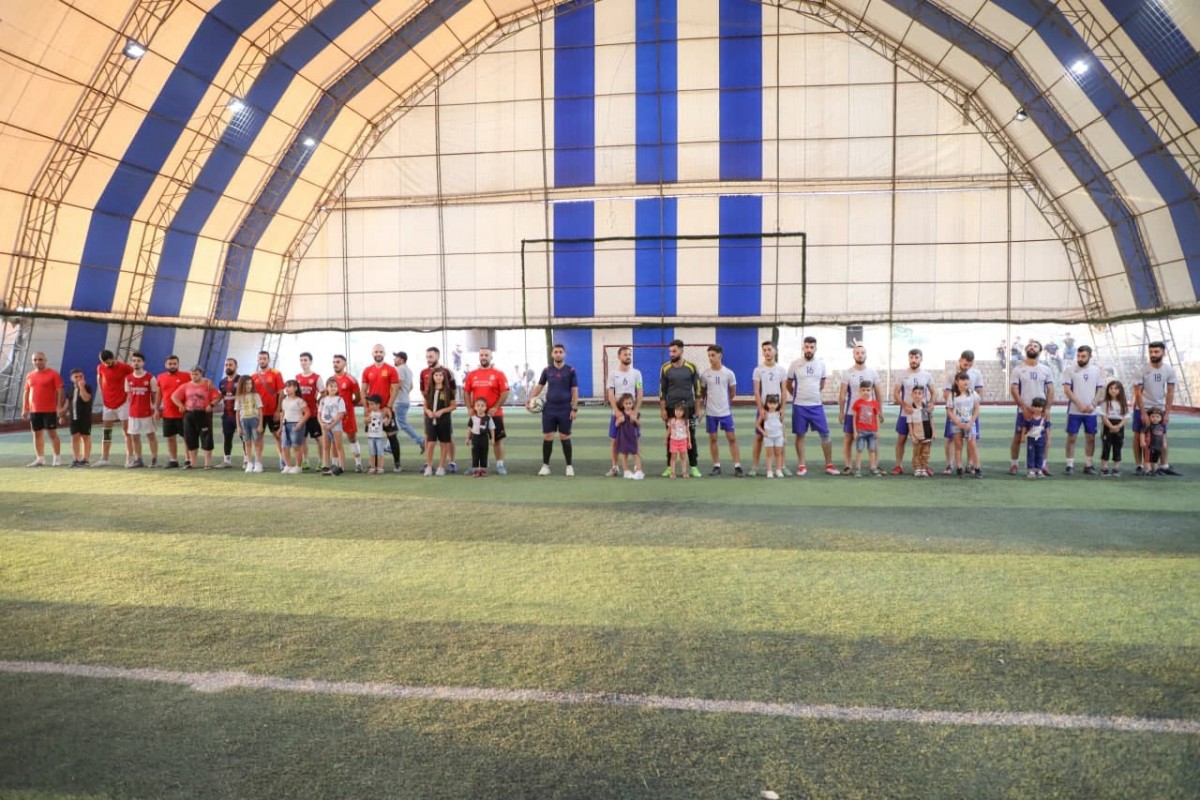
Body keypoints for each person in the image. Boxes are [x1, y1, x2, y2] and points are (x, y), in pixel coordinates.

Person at [787, 336, 837, 477]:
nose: (809, 349)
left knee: (825, 434)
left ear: (815, 348)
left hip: (816, 405)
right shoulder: (795, 364)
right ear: (803, 348)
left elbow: (821, 384)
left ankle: (829, 465)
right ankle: (801, 466)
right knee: (800, 435)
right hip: (799, 406)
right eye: (807, 347)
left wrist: (812, 395)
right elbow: (788, 385)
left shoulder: (821, 364)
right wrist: (799, 396)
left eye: (811, 347)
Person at [527, 343, 579, 476]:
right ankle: (545, 466)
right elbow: (539, 387)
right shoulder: (547, 370)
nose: (558, 354)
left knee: (564, 436)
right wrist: (530, 399)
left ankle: (569, 466)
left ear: (564, 354)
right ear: (552, 354)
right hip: (549, 408)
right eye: (555, 352)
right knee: (548, 436)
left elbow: (574, 390)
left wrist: (574, 408)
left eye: (560, 352)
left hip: (565, 408)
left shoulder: (570, 370)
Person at [1132, 341, 1180, 476]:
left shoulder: (1169, 370)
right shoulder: (1141, 370)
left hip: (1159, 408)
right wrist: (1143, 413)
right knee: (1138, 435)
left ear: (1163, 353)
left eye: (1156, 351)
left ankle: (1163, 465)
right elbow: (1137, 393)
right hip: (1142, 407)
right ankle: (1139, 465)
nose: (1153, 354)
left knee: (1161, 435)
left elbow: (1170, 392)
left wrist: (1167, 413)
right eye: (1151, 352)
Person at [1009, 340, 1054, 475]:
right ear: (1025, 350)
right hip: (1024, 410)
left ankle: (1043, 465)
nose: (1032, 347)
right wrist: (1023, 408)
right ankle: (1014, 464)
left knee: (1043, 438)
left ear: (1040, 351)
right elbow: (1014, 390)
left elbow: (1050, 390)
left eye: (1035, 346)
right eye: (1029, 346)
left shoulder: (1046, 369)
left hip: (1041, 411)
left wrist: (1047, 408)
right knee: (1018, 437)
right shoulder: (1018, 369)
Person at [463, 346, 511, 475]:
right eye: (481, 355)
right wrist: (469, 408)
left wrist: (495, 407)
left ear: (491, 357)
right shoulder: (472, 374)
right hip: (477, 415)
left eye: (486, 355)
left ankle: (500, 465)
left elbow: (505, 392)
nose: (483, 357)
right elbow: (466, 392)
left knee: (497, 440)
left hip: (495, 414)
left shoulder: (499, 374)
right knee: (477, 441)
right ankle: (476, 466)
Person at [699, 344, 743, 476]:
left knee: (732, 438)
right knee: (713, 438)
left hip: (725, 412)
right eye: (709, 355)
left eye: (713, 355)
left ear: (720, 356)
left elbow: (732, 392)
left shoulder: (729, 373)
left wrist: (724, 403)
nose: (710, 358)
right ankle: (716, 465)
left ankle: (737, 466)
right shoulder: (705, 374)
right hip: (711, 413)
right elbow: (703, 393)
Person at [1062, 344, 1104, 475]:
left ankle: (1088, 464)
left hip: (1091, 411)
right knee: (1072, 437)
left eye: (1083, 356)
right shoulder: (1070, 370)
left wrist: (1093, 404)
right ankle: (1069, 465)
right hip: (1074, 411)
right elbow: (1067, 390)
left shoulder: (1096, 371)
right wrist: (1079, 404)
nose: (1080, 358)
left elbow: (1100, 389)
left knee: (1091, 437)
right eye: (1078, 356)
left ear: (1090, 356)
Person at [839, 344, 881, 474]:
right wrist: (841, 412)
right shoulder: (847, 373)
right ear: (853, 355)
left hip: (869, 413)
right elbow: (842, 394)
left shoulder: (872, 373)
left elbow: (878, 393)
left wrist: (880, 411)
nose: (860, 355)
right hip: (852, 412)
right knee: (849, 437)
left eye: (862, 353)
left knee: (873, 438)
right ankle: (848, 465)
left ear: (866, 355)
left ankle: (874, 465)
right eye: (857, 353)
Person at [891, 348, 935, 475]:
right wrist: (904, 405)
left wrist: (931, 403)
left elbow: (934, 392)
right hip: (907, 412)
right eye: (911, 357)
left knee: (925, 440)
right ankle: (898, 465)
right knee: (901, 439)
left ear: (921, 359)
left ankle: (924, 466)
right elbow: (896, 393)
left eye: (916, 357)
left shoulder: (927, 375)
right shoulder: (902, 374)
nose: (913, 360)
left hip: (923, 413)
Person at [941, 351, 983, 475]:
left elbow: (980, 391)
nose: (967, 367)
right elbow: (946, 393)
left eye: (970, 365)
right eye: (965, 364)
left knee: (971, 440)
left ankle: (969, 465)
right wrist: (954, 407)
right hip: (955, 413)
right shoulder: (951, 374)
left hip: (970, 413)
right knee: (951, 438)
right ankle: (950, 464)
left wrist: (972, 407)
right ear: (960, 360)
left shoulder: (976, 373)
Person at [751, 341, 789, 476]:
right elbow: (756, 391)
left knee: (780, 436)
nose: (767, 352)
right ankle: (754, 467)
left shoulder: (781, 370)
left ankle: (782, 466)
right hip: (764, 409)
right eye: (764, 350)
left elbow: (784, 390)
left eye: (769, 349)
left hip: (777, 409)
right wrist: (761, 408)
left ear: (775, 351)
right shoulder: (758, 370)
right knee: (758, 437)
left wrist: (782, 408)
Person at [171, 366, 221, 470]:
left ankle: (207, 463)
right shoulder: (185, 386)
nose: (194, 376)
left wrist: (211, 405)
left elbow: (218, 396)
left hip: (203, 414)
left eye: (196, 374)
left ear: (201, 374)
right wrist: (180, 405)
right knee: (190, 438)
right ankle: (193, 463)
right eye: (192, 374)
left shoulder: (207, 385)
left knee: (206, 438)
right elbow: (174, 396)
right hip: (189, 414)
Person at [362, 344, 401, 473]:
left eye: (380, 351)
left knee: (391, 436)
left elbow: (395, 389)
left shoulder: (391, 369)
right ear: (372, 353)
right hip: (372, 411)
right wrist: (366, 407)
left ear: (384, 353)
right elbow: (363, 390)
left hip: (387, 409)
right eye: (376, 352)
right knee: (372, 438)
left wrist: (388, 406)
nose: (378, 354)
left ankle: (397, 464)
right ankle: (374, 466)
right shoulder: (367, 370)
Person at [605, 346, 644, 477]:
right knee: (615, 440)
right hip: (617, 413)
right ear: (619, 356)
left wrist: (635, 411)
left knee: (635, 439)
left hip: (631, 412)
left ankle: (637, 467)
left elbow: (640, 393)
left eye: (629, 354)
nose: (628, 356)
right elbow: (610, 394)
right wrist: (616, 411)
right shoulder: (613, 374)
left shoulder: (637, 373)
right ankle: (615, 467)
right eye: (625, 354)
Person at [22, 351, 64, 467]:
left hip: (49, 410)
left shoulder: (53, 374)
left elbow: (60, 391)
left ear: (45, 360)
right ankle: (40, 458)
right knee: (36, 434)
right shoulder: (30, 375)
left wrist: (59, 406)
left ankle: (57, 458)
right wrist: (25, 408)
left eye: (40, 359)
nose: (37, 362)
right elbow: (26, 392)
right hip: (34, 410)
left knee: (52, 434)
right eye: (35, 360)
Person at [420, 347, 458, 473]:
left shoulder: (447, 371)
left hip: (444, 412)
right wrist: (428, 409)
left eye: (431, 357)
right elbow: (423, 391)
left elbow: (453, 390)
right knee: (429, 438)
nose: (428, 359)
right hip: (430, 411)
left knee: (447, 437)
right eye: (427, 357)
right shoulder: (423, 372)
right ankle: (428, 464)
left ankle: (451, 462)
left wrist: (444, 406)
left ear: (437, 356)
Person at [95, 349, 133, 467]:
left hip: (123, 403)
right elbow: (99, 379)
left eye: (108, 362)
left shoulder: (125, 367)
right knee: (107, 431)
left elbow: (134, 378)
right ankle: (104, 458)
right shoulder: (101, 367)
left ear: (113, 358)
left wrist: (129, 394)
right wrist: (103, 394)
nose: (106, 364)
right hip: (108, 403)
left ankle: (130, 458)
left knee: (127, 432)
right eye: (104, 362)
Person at [124, 351, 158, 468]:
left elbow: (154, 395)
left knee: (151, 435)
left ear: (143, 363)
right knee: (134, 436)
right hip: (133, 413)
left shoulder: (150, 378)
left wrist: (155, 409)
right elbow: (129, 395)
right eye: (134, 361)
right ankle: (138, 459)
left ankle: (154, 459)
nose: (136, 363)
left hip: (147, 413)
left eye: (138, 361)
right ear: (131, 363)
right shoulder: (128, 378)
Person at [331, 354, 363, 473]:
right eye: (334, 362)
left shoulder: (351, 379)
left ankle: (358, 463)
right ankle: (335, 464)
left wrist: (349, 406)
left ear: (344, 364)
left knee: (352, 438)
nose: (335, 364)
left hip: (348, 414)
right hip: (334, 416)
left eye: (338, 362)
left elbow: (358, 396)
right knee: (334, 440)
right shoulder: (331, 380)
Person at [156, 354, 190, 469]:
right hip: (168, 413)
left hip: (183, 413)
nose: (172, 366)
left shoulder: (187, 376)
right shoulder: (160, 377)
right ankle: (173, 460)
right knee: (170, 437)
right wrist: (156, 409)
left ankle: (188, 459)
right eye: (170, 364)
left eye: (174, 363)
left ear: (178, 364)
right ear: (166, 365)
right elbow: (159, 394)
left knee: (186, 437)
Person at [947, 372, 981, 477]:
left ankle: (977, 468)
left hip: (970, 423)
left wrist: (971, 422)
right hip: (957, 424)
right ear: (957, 382)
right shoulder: (952, 395)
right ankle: (959, 467)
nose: (965, 381)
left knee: (972, 445)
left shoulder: (973, 393)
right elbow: (949, 410)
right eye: (962, 379)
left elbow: (977, 409)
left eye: (967, 379)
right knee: (958, 445)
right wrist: (958, 422)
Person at [391, 351, 425, 452]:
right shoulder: (408, 370)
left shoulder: (400, 369)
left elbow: (399, 385)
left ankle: (420, 440)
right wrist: (405, 394)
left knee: (402, 424)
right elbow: (411, 386)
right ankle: (389, 446)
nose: (394, 359)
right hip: (404, 400)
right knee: (397, 424)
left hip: (400, 401)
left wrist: (392, 398)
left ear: (402, 360)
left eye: (396, 357)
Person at [849, 381, 882, 477]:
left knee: (872, 450)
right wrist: (854, 431)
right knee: (859, 450)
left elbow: (877, 418)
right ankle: (858, 469)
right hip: (861, 431)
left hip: (872, 431)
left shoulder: (874, 403)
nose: (866, 392)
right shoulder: (857, 403)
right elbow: (854, 418)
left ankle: (873, 468)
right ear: (859, 391)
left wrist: (877, 431)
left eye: (868, 390)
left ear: (871, 391)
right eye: (863, 390)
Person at [295, 352, 322, 470]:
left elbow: (323, 392)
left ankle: (321, 461)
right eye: (301, 360)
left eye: (305, 360)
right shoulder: (297, 377)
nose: (303, 362)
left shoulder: (316, 377)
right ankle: (305, 461)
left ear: (310, 362)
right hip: (300, 415)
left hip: (313, 414)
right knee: (302, 438)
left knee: (318, 438)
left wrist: (318, 401)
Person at [278, 379, 311, 474]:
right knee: (285, 446)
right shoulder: (284, 401)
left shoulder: (299, 401)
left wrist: (300, 423)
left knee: (296, 446)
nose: (287, 389)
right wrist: (281, 427)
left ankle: (298, 466)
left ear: (296, 388)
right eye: (286, 387)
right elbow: (283, 414)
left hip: (295, 424)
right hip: (286, 425)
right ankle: (288, 466)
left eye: (289, 386)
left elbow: (307, 413)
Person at [318, 377, 347, 475]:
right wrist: (322, 424)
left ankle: (341, 466)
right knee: (326, 447)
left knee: (338, 446)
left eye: (335, 386)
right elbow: (319, 413)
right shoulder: (323, 400)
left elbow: (341, 414)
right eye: (331, 386)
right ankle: (326, 465)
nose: (333, 388)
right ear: (327, 387)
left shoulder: (339, 400)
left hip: (335, 425)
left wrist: (331, 425)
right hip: (325, 425)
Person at [236, 374, 264, 473]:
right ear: (242, 385)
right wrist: (238, 427)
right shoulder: (239, 397)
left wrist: (260, 424)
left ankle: (258, 463)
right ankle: (249, 463)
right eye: (247, 384)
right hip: (244, 421)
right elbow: (237, 412)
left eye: (250, 384)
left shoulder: (256, 395)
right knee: (247, 442)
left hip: (254, 420)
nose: (249, 386)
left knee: (257, 442)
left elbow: (260, 411)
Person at [65, 368, 93, 467]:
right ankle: (76, 459)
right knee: (74, 437)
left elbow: (86, 398)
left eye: (80, 376)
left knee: (85, 436)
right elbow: (67, 404)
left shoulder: (87, 387)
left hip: (85, 417)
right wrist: (62, 414)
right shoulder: (70, 390)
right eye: (76, 377)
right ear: (71, 378)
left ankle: (86, 459)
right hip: (73, 417)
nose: (78, 378)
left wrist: (81, 387)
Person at [1100, 380, 1128, 477]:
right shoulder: (1105, 403)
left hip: (1119, 426)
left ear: (1120, 390)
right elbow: (1103, 417)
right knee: (1106, 447)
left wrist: (1118, 426)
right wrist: (1111, 426)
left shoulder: (1123, 403)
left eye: (1116, 388)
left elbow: (1125, 417)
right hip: (1108, 426)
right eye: (1111, 388)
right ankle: (1104, 467)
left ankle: (1116, 468)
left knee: (1118, 447)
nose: (1113, 390)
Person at [216, 358, 240, 469]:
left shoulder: (241, 380)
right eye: (226, 365)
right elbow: (221, 396)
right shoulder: (222, 382)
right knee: (227, 438)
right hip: (226, 415)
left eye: (230, 365)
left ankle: (247, 461)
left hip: (239, 415)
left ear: (236, 366)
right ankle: (227, 461)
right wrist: (211, 404)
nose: (228, 367)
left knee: (244, 438)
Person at [613, 393, 644, 479]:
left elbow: (639, 424)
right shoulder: (620, 414)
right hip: (623, 437)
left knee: (635, 454)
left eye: (630, 403)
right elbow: (616, 425)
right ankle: (626, 471)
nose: (628, 405)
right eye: (626, 403)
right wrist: (619, 421)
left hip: (632, 437)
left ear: (633, 404)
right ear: (622, 404)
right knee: (624, 455)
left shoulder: (635, 413)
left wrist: (635, 420)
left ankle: (639, 471)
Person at [756, 394, 786, 478]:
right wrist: (763, 432)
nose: (772, 405)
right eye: (770, 403)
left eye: (774, 403)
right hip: (768, 437)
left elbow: (783, 425)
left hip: (778, 436)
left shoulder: (779, 413)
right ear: (766, 403)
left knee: (778, 454)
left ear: (778, 404)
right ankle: (769, 471)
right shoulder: (764, 414)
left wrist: (784, 437)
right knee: (769, 454)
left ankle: (778, 470)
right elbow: (757, 424)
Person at [1020, 397, 1050, 479]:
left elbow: (1047, 429)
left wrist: (1048, 440)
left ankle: (1039, 469)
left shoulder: (1044, 419)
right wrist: (1022, 436)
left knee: (1040, 454)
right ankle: (1031, 470)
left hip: (1041, 439)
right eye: (1035, 406)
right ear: (1032, 407)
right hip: (1031, 440)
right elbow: (1024, 427)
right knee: (1031, 454)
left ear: (1043, 408)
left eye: (1039, 407)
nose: (1037, 409)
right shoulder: (1029, 418)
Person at [465, 397, 495, 477]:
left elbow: (492, 429)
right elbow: (469, 429)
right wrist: (467, 438)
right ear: (474, 407)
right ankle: (476, 470)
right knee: (475, 453)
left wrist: (492, 438)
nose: (480, 407)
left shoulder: (488, 418)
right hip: (475, 438)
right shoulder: (473, 418)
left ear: (486, 407)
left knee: (484, 453)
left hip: (484, 438)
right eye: (478, 405)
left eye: (482, 405)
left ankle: (483, 469)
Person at [908, 385, 934, 477]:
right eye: (915, 393)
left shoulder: (925, 408)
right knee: (916, 452)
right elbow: (910, 424)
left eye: (919, 393)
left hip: (927, 435)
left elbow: (931, 420)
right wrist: (912, 436)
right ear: (912, 395)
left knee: (925, 453)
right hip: (917, 435)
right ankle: (917, 468)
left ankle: (923, 468)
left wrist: (933, 432)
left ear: (923, 395)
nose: (917, 395)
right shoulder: (910, 409)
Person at [363, 393, 393, 475]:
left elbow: (386, 424)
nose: (370, 406)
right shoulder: (369, 413)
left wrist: (389, 417)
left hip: (379, 437)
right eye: (369, 404)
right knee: (372, 453)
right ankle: (372, 467)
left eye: (372, 404)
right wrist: (366, 420)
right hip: (370, 436)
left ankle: (380, 468)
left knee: (380, 453)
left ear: (378, 405)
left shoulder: (381, 414)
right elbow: (365, 422)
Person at [665, 402, 691, 478]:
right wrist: (665, 439)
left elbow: (688, 431)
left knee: (683, 457)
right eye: (676, 410)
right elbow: (668, 430)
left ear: (684, 412)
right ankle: (672, 472)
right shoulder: (671, 420)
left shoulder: (685, 421)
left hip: (683, 441)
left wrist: (689, 442)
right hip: (673, 441)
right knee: (673, 457)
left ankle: (684, 472)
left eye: (680, 410)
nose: (678, 412)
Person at [1142, 408, 1168, 476]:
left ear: (1161, 418)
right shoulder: (1148, 426)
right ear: (1149, 417)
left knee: (1155, 459)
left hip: (1157, 446)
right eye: (1153, 416)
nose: (1155, 418)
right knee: (1147, 459)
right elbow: (1142, 433)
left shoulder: (1161, 427)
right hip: (1149, 446)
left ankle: (1155, 470)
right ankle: (1148, 470)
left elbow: (1163, 435)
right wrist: (1142, 441)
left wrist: (1164, 442)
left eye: (1157, 417)